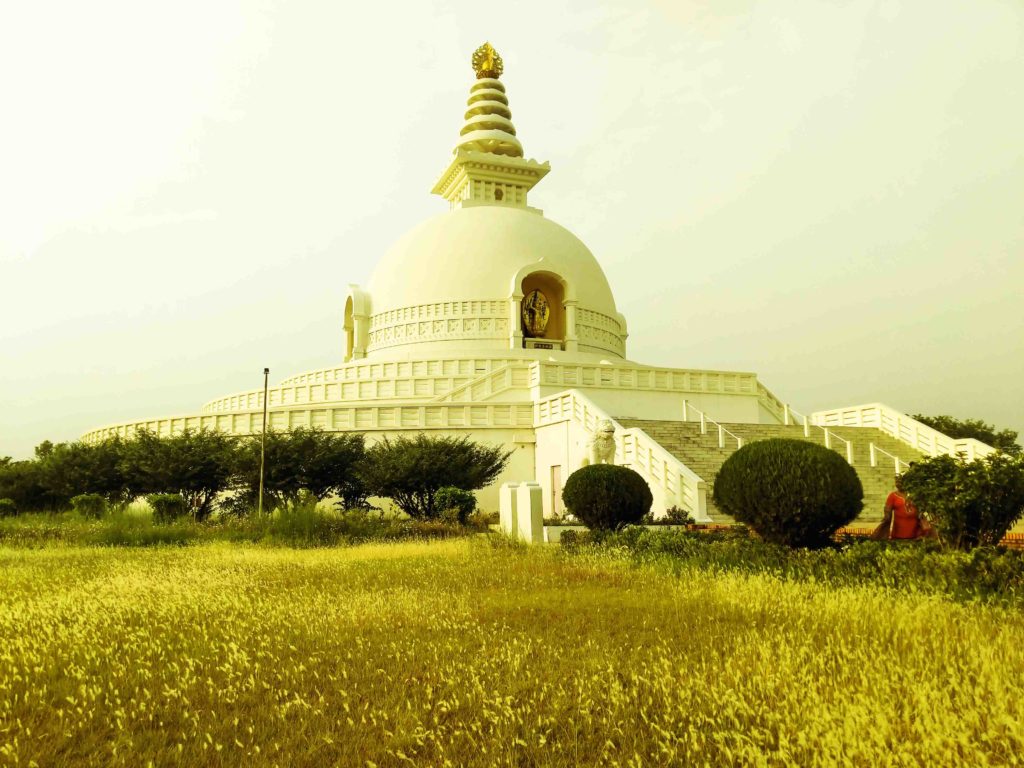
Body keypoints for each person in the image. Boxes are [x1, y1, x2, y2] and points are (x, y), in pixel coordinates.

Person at [870, 474, 934, 541]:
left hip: (916, 534)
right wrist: (886, 517)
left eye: (900, 481)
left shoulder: (915, 495)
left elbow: (922, 508)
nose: (898, 484)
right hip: (898, 534)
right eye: (897, 482)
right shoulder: (893, 496)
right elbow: (887, 511)